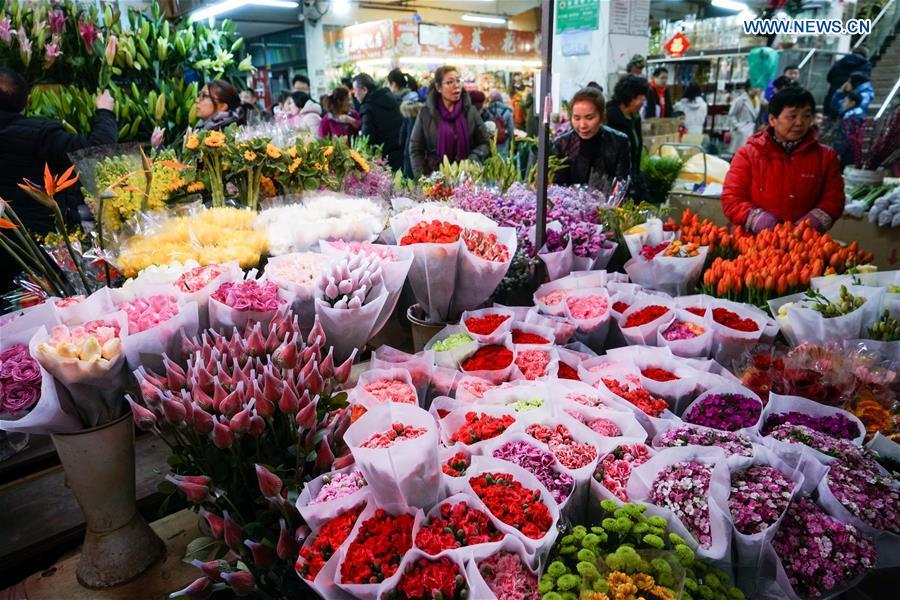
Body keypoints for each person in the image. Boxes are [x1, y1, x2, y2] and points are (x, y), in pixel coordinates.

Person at [0, 68, 118, 290]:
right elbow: (97, 151)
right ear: (27, 102)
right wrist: (105, 112)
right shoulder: (38, 133)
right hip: (44, 254)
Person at [722, 87, 844, 233]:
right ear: (773, 120)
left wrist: (808, 226)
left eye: (806, 116)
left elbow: (834, 199)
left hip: (804, 245)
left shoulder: (825, 157)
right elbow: (732, 199)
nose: (799, 123)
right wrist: (762, 222)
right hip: (753, 243)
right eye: (792, 116)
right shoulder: (748, 154)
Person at [409, 65, 490, 177]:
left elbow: (484, 143)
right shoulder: (426, 114)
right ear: (438, 88)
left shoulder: (470, 111)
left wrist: (472, 160)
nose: (456, 86)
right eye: (450, 82)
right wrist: (422, 178)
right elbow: (415, 149)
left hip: (466, 179)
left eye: (458, 81)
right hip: (436, 180)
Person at [553, 87, 630, 188]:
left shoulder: (619, 142)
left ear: (601, 116)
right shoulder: (562, 144)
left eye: (589, 118)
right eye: (577, 118)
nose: (582, 125)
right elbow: (558, 186)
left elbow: (622, 184)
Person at [352, 73, 404, 170]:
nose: (354, 95)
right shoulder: (392, 97)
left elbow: (367, 139)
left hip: (385, 158)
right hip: (402, 152)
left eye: (355, 91)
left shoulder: (368, 108)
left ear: (364, 89)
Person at [824, 47, 872, 117]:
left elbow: (829, 77)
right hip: (851, 97)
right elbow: (864, 80)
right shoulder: (866, 64)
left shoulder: (840, 62)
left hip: (834, 92)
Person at [833, 91, 866, 167]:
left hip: (847, 153)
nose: (843, 103)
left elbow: (846, 136)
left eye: (845, 101)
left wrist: (839, 152)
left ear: (852, 103)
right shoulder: (859, 115)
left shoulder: (851, 118)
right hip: (855, 151)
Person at [726, 82, 761, 154]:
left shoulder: (757, 100)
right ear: (750, 88)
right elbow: (731, 115)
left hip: (753, 130)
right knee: (739, 155)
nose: (758, 90)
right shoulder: (740, 99)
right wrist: (738, 127)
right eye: (756, 87)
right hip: (742, 131)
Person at [482, 90, 515, 157]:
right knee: (503, 159)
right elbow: (511, 128)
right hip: (503, 141)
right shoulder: (507, 111)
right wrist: (512, 140)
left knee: (491, 160)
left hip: (491, 140)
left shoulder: (487, 110)